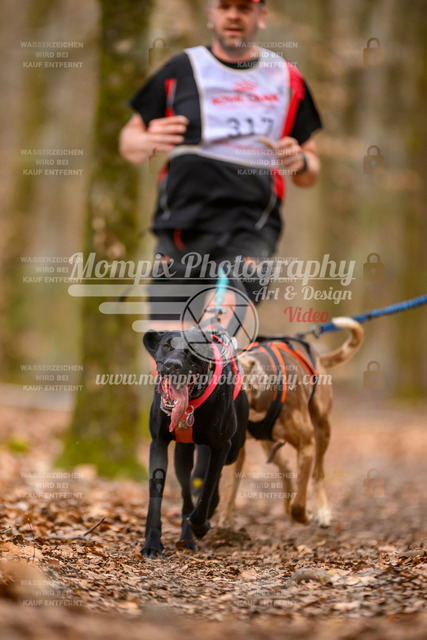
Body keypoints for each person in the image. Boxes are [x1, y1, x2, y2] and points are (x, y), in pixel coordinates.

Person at [119, 0, 322, 329]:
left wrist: (299, 161)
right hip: (180, 226)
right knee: (168, 349)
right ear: (211, 14)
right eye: (224, 6)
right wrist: (148, 141)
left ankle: (223, 351)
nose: (233, 15)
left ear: (261, 16)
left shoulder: (286, 77)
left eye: (244, 7)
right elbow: (129, 141)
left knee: (217, 328)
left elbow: (310, 171)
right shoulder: (181, 69)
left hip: (250, 227)